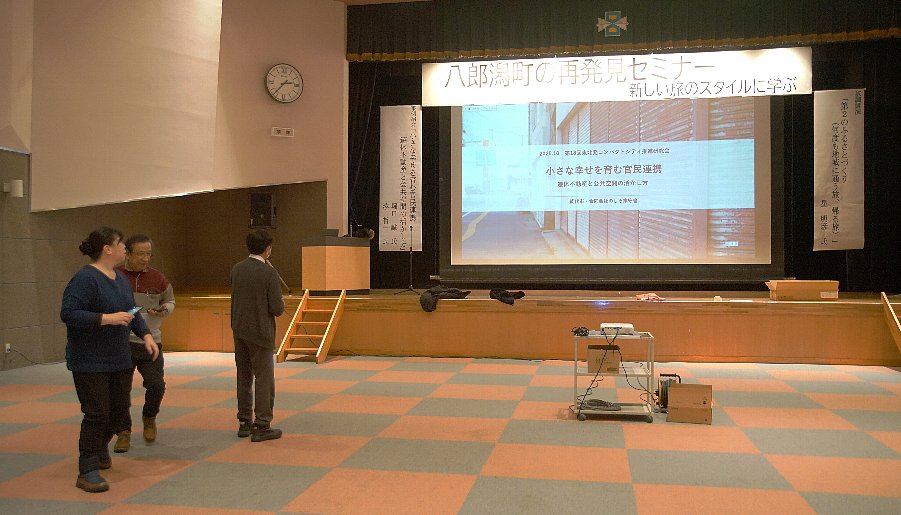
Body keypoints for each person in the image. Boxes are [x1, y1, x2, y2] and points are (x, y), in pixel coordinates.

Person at [60, 227, 159, 493]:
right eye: (120, 244)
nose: (124, 248)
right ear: (107, 248)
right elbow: (69, 313)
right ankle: (87, 469)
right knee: (97, 414)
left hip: (118, 358)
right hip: (90, 361)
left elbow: (131, 310)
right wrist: (106, 318)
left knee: (118, 414)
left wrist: (146, 334)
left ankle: (99, 447)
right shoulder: (85, 278)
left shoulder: (119, 278)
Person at [112, 234, 175, 452]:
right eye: (140, 254)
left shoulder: (158, 278)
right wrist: (132, 312)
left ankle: (149, 417)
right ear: (127, 254)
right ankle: (123, 432)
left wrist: (164, 309)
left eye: (148, 254)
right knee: (120, 391)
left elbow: (170, 300)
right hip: (122, 343)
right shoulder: (116, 276)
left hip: (151, 341)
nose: (145, 258)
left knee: (156, 385)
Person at [230, 229, 285, 442]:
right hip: (261, 331)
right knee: (263, 379)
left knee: (243, 377)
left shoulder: (237, 269)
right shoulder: (269, 273)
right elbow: (277, 309)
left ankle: (244, 422)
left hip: (239, 328)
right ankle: (262, 424)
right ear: (267, 249)